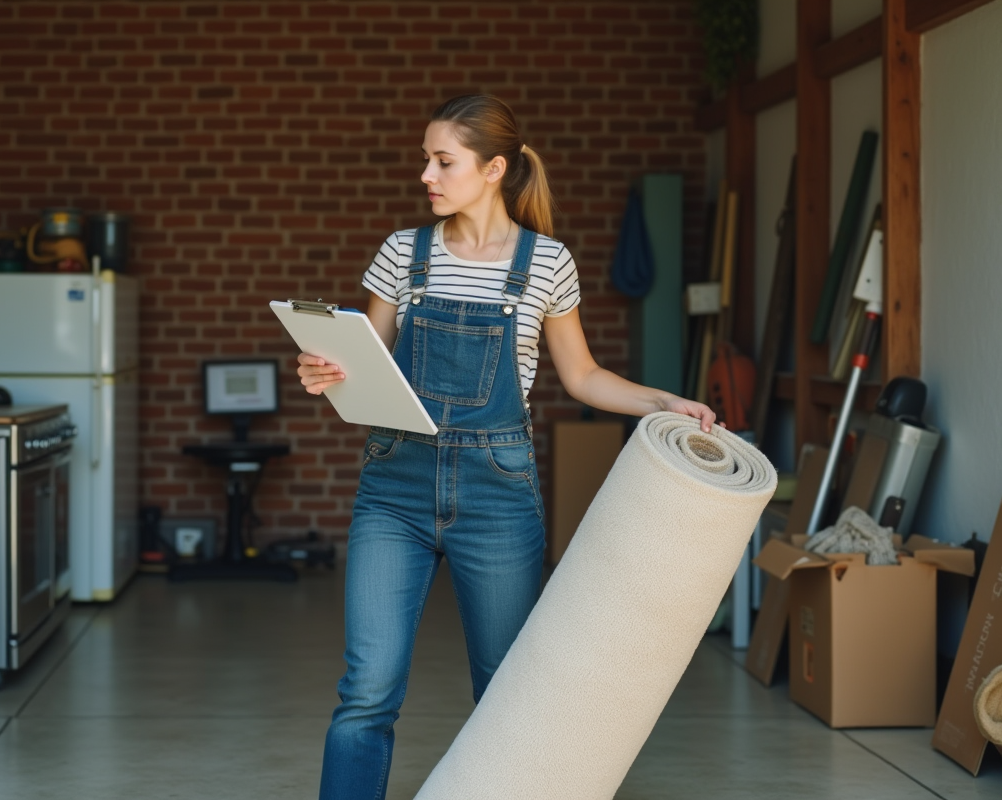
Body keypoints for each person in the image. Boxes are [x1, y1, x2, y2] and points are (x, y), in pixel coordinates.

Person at [297, 94, 716, 800]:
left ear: (494, 168)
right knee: (366, 691)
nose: (425, 175)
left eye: (442, 161)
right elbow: (366, 370)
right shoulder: (403, 253)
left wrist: (665, 401)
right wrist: (326, 374)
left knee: (507, 692)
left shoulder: (547, 263)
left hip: (498, 493)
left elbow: (581, 376)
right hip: (394, 488)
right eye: (425, 159)